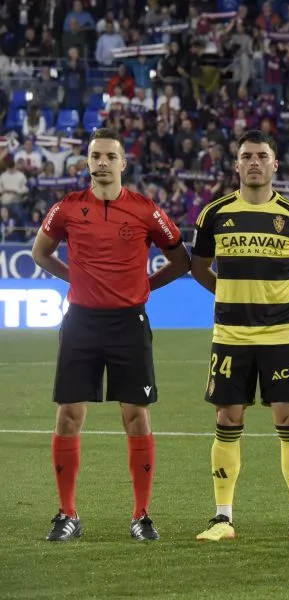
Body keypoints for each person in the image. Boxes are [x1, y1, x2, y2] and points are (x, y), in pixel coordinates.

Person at [31, 128, 191, 542]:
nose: (102, 162)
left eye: (109, 156)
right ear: (87, 161)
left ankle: (142, 515)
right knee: (68, 415)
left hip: (128, 323)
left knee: (136, 416)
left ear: (123, 163)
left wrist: (143, 288)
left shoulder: (145, 210)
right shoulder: (67, 208)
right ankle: (67, 514)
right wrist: (76, 279)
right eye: (95, 156)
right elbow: (40, 253)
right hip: (80, 322)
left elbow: (181, 260)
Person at [191, 130, 289, 542]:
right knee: (227, 418)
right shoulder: (213, 214)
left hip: (281, 334)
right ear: (236, 164)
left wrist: (279, 295)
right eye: (247, 156)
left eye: (262, 156)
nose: (254, 162)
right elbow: (198, 267)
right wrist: (229, 294)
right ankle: (222, 518)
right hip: (230, 335)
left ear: (274, 164)